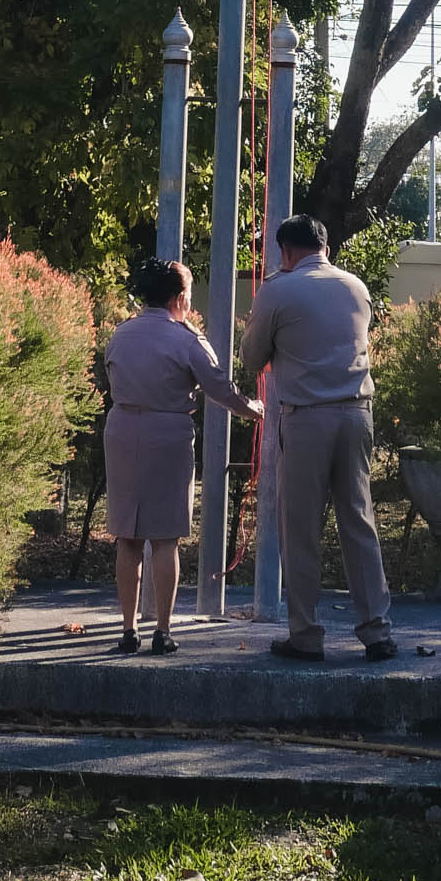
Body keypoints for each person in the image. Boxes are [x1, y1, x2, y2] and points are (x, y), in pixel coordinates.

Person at [239, 213, 396, 662]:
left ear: (285, 251)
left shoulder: (278, 290)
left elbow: (251, 358)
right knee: (359, 522)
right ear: (326, 248)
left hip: (307, 417)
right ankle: (377, 632)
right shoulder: (356, 287)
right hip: (357, 413)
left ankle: (306, 635)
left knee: (301, 528)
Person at [98, 257, 262, 655]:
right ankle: (163, 630)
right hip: (168, 433)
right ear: (178, 297)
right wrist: (253, 409)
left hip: (121, 429)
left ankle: (127, 629)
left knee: (127, 537)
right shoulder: (186, 340)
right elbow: (220, 388)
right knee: (165, 537)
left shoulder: (121, 334)